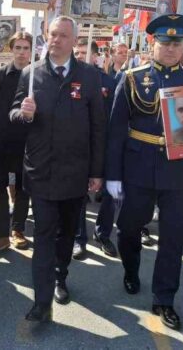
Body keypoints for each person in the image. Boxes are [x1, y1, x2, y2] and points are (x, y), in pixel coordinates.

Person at [106, 14, 183, 330]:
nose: (171, 48)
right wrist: (112, 174)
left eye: (177, 43)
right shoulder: (133, 78)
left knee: (173, 237)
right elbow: (116, 130)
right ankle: (131, 269)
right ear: (153, 43)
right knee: (128, 228)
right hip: (138, 165)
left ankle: (165, 298)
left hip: (178, 170)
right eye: (165, 42)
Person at [10, 16, 106, 323]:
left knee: (66, 235)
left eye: (63, 35)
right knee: (43, 234)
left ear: (75, 41)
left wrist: (96, 171)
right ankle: (41, 302)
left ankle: (60, 276)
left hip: (74, 172)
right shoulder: (31, 73)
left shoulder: (89, 76)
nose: (56, 39)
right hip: (40, 170)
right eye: (52, 34)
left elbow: (98, 126)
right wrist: (23, 114)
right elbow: (13, 113)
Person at [0, 31, 32, 254]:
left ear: (31, 51)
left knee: (23, 188)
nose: (22, 52)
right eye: (18, 48)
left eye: (26, 48)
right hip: (1, 143)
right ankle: (1, 235)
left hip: (28, 143)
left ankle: (18, 230)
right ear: (11, 49)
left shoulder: (37, 77)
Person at [72, 40, 118, 260]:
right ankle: (78, 238)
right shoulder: (71, 78)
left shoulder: (109, 81)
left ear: (95, 56)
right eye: (77, 52)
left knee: (110, 193)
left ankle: (103, 233)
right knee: (78, 193)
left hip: (106, 143)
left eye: (84, 52)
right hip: (81, 144)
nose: (79, 56)